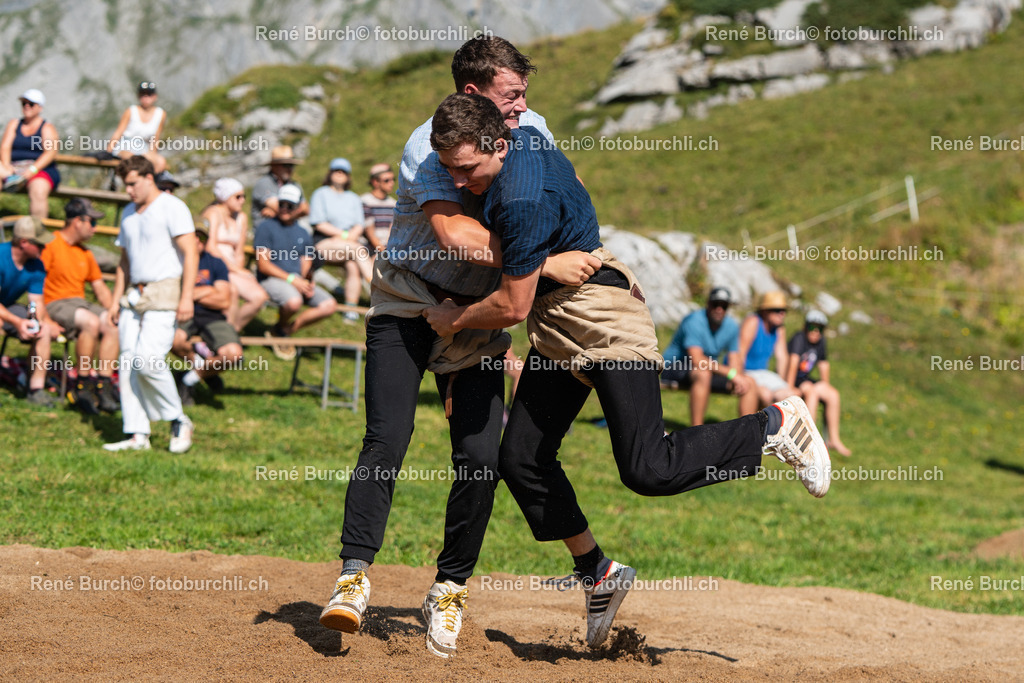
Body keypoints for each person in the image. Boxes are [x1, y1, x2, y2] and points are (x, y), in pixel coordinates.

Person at [422, 93, 832, 649]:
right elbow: (575, 185)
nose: (458, 181)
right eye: (447, 169)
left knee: (648, 468)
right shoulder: (528, 139)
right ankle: (598, 573)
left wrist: (454, 319)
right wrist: (557, 255)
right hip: (560, 325)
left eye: (466, 169)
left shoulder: (519, 199)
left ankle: (775, 425)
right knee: (521, 459)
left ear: (497, 145)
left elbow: (512, 307)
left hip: (604, 317)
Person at [318, 36, 601, 660]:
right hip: (410, 299)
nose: (523, 105)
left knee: (479, 458)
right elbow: (456, 235)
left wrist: (552, 255)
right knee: (386, 438)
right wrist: (543, 262)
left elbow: (565, 189)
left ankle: (449, 589)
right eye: (512, 94)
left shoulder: (531, 129)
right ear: (474, 94)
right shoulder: (429, 145)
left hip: (477, 314)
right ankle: (353, 578)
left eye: (523, 93)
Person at [104, 156, 197, 453]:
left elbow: (191, 252)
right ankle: (137, 434)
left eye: (132, 184)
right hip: (133, 294)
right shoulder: (128, 213)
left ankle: (178, 419)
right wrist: (115, 300)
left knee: (148, 360)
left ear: (148, 178)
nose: (128, 190)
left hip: (164, 290)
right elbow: (124, 261)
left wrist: (187, 296)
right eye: (125, 185)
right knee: (128, 362)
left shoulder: (173, 207)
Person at [41, 199, 120, 414]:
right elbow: (36, 281)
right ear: (77, 221)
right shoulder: (50, 244)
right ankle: (81, 385)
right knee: (91, 322)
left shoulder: (85, 253)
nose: (95, 228)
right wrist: (43, 317)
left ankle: (103, 385)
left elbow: (100, 287)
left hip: (80, 304)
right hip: (54, 303)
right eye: (92, 222)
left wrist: (113, 311)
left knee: (111, 324)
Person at [254, 183, 337, 359]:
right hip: (271, 279)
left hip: (297, 281)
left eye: (290, 205)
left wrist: (306, 281)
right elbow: (263, 265)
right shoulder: (265, 227)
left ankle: (283, 331)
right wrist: (292, 280)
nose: (284, 208)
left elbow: (306, 261)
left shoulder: (303, 232)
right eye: (281, 204)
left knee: (329, 305)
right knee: (294, 301)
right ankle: (281, 330)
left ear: (299, 207)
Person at [661, 287, 758, 426]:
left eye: (724, 306)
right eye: (715, 304)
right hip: (675, 366)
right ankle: (697, 431)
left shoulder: (731, 326)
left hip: (706, 369)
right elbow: (697, 359)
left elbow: (734, 357)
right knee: (703, 374)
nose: (719, 309)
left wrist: (738, 376)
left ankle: (748, 433)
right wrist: (731, 373)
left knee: (749, 382)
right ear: (708, 304)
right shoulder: (694, 321)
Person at [171, 223, 244, 406]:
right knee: (174, 339)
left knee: (233, 354)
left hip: (212, 316)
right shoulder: (175, 260)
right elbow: (173, 296)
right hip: (183, 313)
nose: (198, 241)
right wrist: (209, 290)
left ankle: (189, 378)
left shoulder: (216, 263)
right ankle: (206, 370)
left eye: (202, 238)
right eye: (194, 236)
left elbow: (224, 301)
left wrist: (190, 294)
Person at [0, 216, 59, 406]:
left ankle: (35, 389)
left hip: (7, 306)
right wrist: (18, 323)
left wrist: (35, 321)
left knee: (43, 330)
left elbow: (36, 302)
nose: (44, 248)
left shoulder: (36, 266)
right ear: (24, 242)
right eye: (39, 244)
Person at [308, 157, 373, 321]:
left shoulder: (354, 198)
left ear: (348, 176)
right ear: (330, 173)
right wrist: (344, 235)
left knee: (353, 265)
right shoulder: (320, 194)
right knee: (358, 250)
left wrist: (350, 236)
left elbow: (359, 224)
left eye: (343, 171)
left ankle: (350, 309)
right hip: (324, 243)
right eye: (336, 170)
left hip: (348, 244)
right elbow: (319, 223)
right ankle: (377, 287)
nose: (339, 174)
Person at [202, 177, 268, 332]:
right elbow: (210, 247)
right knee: (232, 290)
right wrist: (235, 270)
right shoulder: (212, 213)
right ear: (225, 197)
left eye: (244, 196)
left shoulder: (241, 218)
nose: (242, 200)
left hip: (232, 267)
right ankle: (226, 335)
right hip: (214, 265)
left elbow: (239, 252)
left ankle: (233, 330)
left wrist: (239, 270)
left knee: (259, 296)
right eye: (237, 196)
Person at [788, 310, 852, 456]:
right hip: (794, 378)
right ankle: (807, 438)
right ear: (806, 327)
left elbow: (824, 364)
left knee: (833, 394)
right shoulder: (799, 338)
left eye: (820, 329)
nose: (816, 332)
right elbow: (793, 362)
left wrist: (825, 385)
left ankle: (834, 439)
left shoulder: (821, 341)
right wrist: (790, 387)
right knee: (812, 392)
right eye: (812, 327)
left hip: (806, 378)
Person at [0, 89, 60, 219]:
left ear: (40, 107)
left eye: (31, 104)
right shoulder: (14, 124)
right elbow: (5, 147)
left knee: (38, 191)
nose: (27, 106)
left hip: (40, 169)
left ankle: (37, 228)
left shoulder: (47, 128)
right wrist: (7, 166)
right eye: (24, 103)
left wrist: (32, 170)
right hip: (13, 168)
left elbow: (50, 152)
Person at [738, 290, 799, 409]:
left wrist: (784, 385)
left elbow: (782, 358)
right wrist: (740, 378)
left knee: (791, 395)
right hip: (746, 371)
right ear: (765, 311)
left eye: (784, 310)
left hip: (763, 373)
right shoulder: (753, 322)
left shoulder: (779, 329)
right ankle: (759, 420)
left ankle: (778, 421)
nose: (782, 314)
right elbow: (740, 353)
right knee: (766, 395)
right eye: (777, 310)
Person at [106, 81, 168, 174]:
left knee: (160, 161)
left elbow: (155, 139)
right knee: (135, 159)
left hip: (144, 149)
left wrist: (152, 155)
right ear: (138, 96)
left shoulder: (161, 114)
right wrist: (108, 151)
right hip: (126, 146)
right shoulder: (131, 111)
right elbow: (119, 132)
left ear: (155, 96)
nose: (146, 97)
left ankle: (149, 180)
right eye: (143, 94)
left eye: (149, 94)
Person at [252, 146, 308, 224]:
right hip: (267, 230)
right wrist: (297, 211)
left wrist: (276, 213)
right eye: (286, 165)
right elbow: (280, 209)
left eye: (291, 165)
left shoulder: (295, 185)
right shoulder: (264, 183)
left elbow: (306, 209)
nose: (290, 169)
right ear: (274, 166)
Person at [360, 163, 397, 253]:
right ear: (375, 182)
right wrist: (384, 252)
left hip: (388, 248)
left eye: (393, 179)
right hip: (369, 248)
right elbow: (370, 233)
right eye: (387, 180)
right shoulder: (365, 201)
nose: (392, 183)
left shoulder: (393, 203)